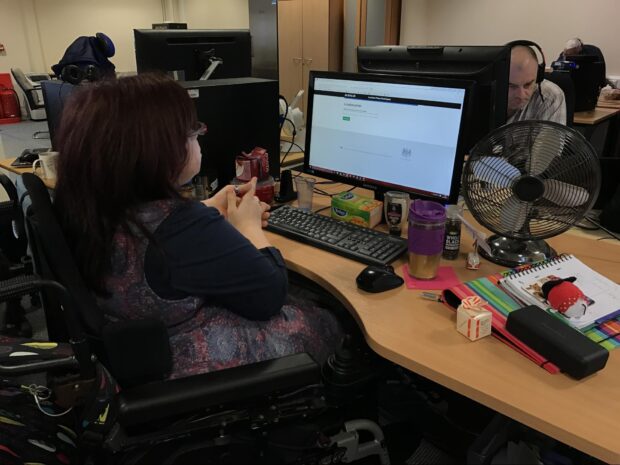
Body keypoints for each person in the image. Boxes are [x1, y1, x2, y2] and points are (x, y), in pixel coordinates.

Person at [52, 73, 344, 379]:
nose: (198, 140)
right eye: (192, 133)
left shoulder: (91, 204)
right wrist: (249, 227)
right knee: (331, 317)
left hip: (140, 353)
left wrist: (209, 208)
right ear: (156, 150)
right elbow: (269, 296)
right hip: (188, 365)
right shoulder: (183, 227)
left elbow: (158, 235)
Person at [507, 45, 566, 124]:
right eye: (511, 86)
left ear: (538, 77)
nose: (521, 95)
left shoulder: (550, 96)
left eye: (528, 84)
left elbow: (550, 136)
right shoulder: (488, 92)